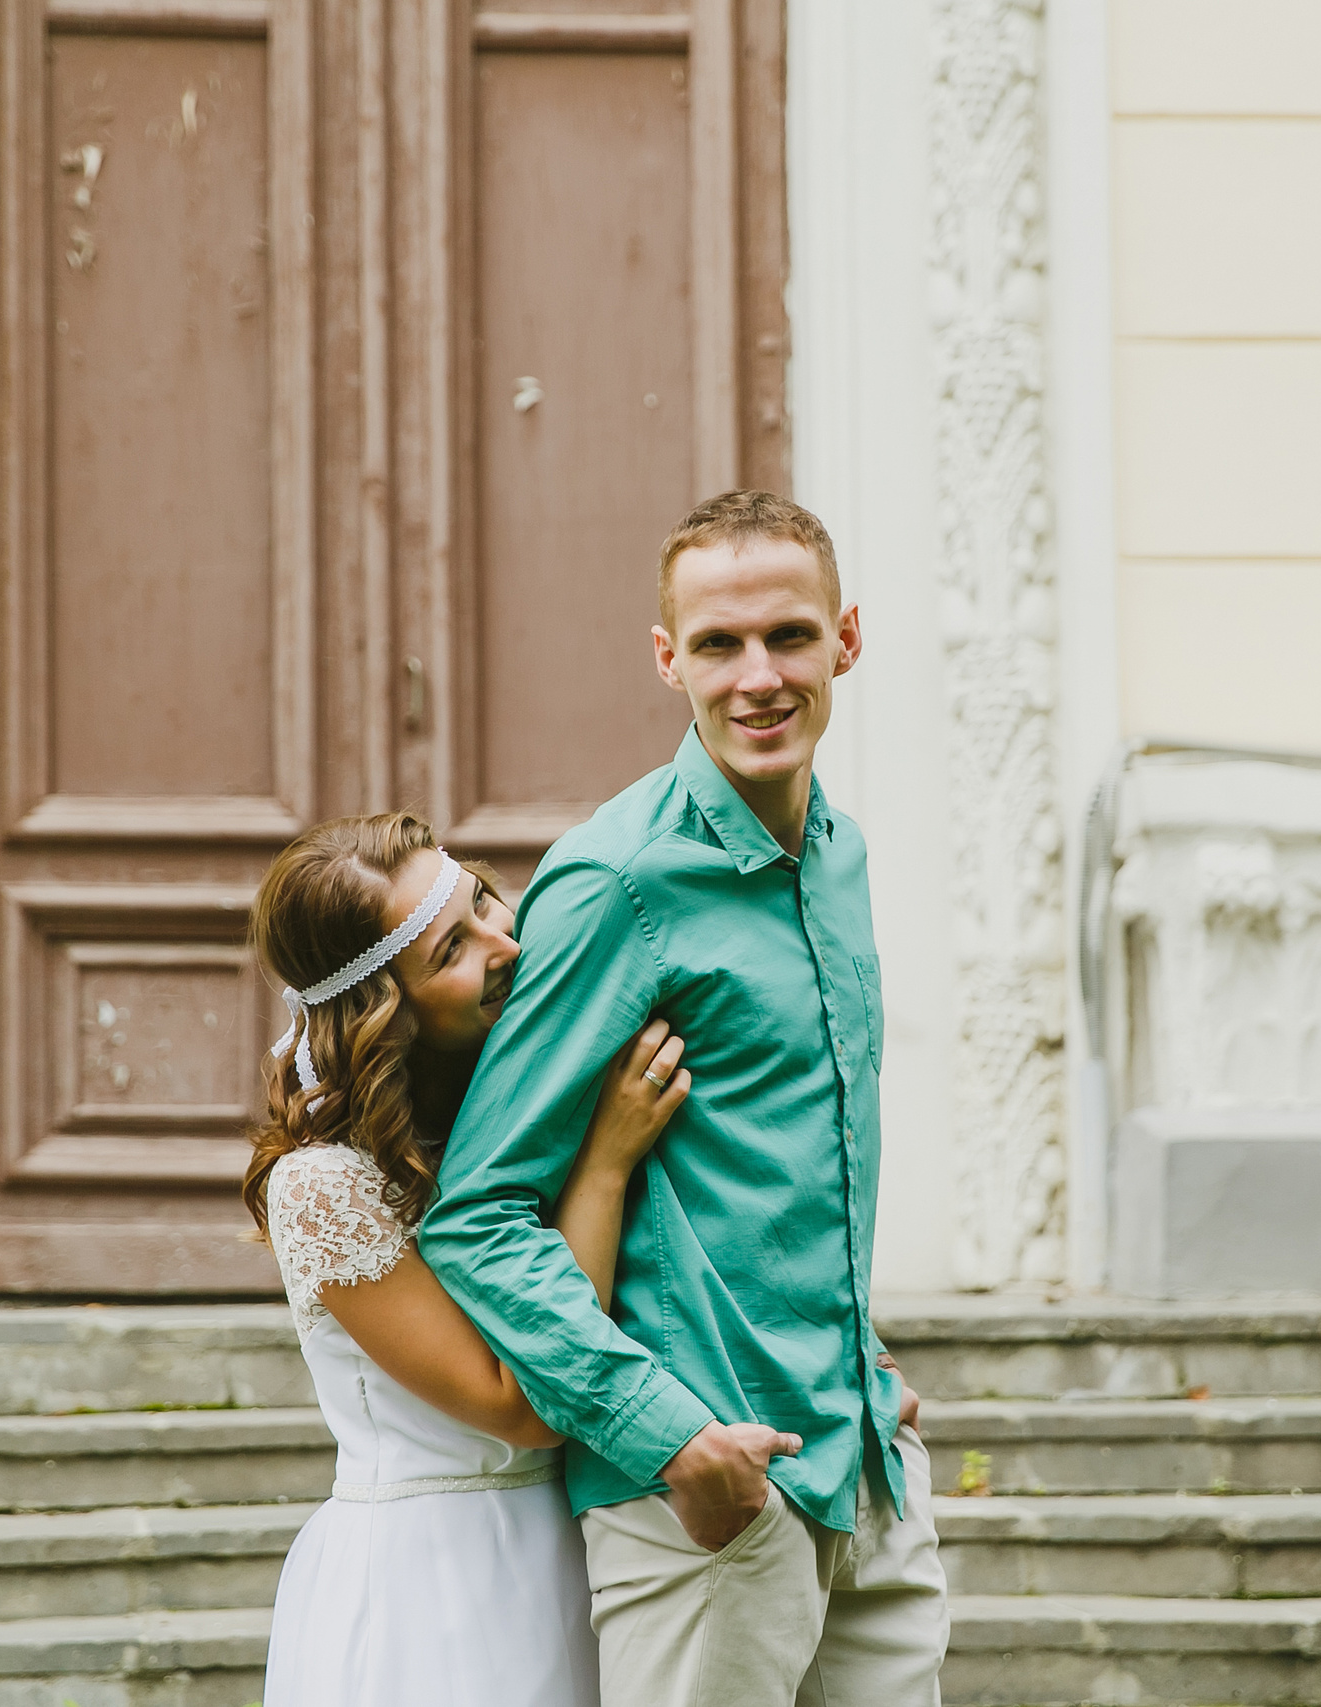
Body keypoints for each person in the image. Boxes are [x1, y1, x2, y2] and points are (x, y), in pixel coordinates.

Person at [420, 490, 949, 1707]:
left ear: (846, 640)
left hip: (862, 1463)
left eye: (789, 637)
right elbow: (478, 1217)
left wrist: (861, 1363)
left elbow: (794, 1154)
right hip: (708, 1497)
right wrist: (661, 1431)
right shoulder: (615, 883)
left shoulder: (841, 853)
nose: (759, 677)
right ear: (669, 660)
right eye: (719, 644)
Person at [244, 812, 695, 1707]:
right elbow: (520, 1403)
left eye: (484, 901)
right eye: (452, 947)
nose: (507, 944)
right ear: (383, 1010)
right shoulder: (324, 1187)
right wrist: (604, 1165)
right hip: (437, 1586)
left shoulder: (516, 1115)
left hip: (587, 1545)